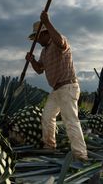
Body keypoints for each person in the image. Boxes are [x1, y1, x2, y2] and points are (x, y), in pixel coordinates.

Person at [25, 11, 88, 162]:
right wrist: (32, 60)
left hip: (68, 87)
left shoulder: (59, 42)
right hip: (56, 90)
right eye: (36, 38)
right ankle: (49, 146)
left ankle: (81, 155)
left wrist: (47, 22)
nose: (37, 40)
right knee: (47, 118)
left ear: (46, 33)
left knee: (70, 121)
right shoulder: (44, 51)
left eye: (38, 36)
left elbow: (60, 42)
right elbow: (40, 70)